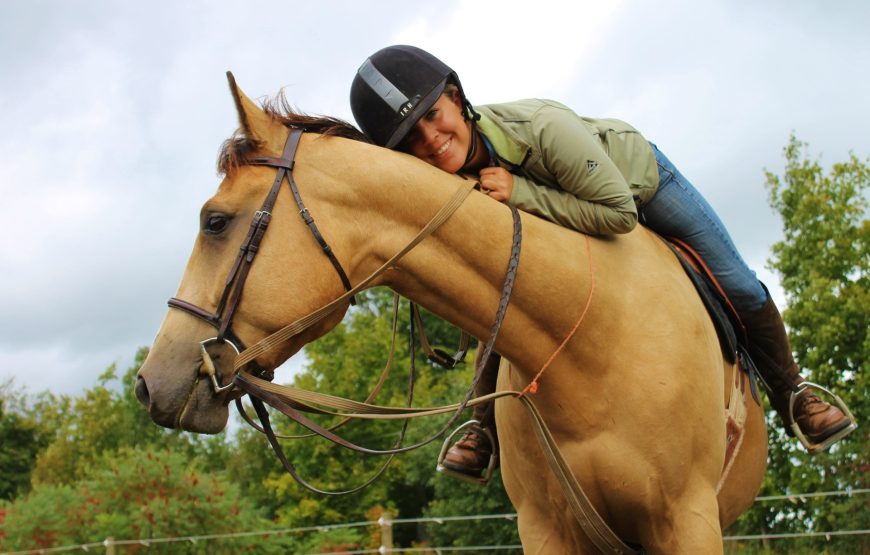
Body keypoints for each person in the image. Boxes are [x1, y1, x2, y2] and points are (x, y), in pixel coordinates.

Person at [349, 45, 855, 481]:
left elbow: (618, 214)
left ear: (457, 100)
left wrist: (520, 193)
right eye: (411, 138)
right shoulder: (446, 179)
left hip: (635, 187)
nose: (431, 139)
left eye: (433, 115)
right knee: (498, 302)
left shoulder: (541, 127)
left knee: (738, 283)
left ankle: (794, 394)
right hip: (563, 208)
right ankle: (482, 427)